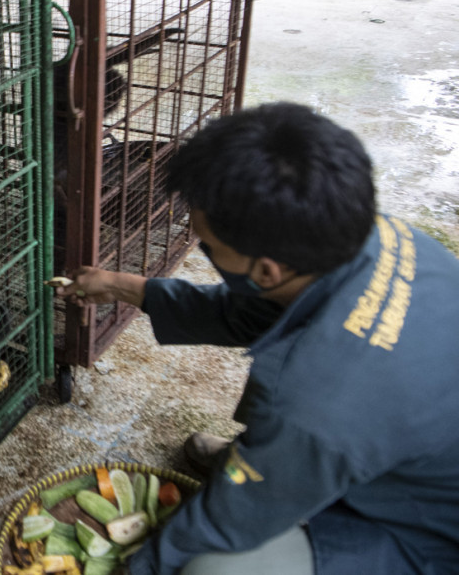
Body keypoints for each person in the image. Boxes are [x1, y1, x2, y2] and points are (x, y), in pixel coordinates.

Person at [55, 102, 459, 575]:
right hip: (389, 443)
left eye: (207, 244)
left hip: (427, 536)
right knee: (280, 367)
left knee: (214, 566)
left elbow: (228, 522)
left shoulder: (318, 393)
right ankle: (270, 458)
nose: (199, 245)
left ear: (268, 268)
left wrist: (141, 566)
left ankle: (277, 468)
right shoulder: (376, 237)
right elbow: (249, 314)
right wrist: (124, 286)